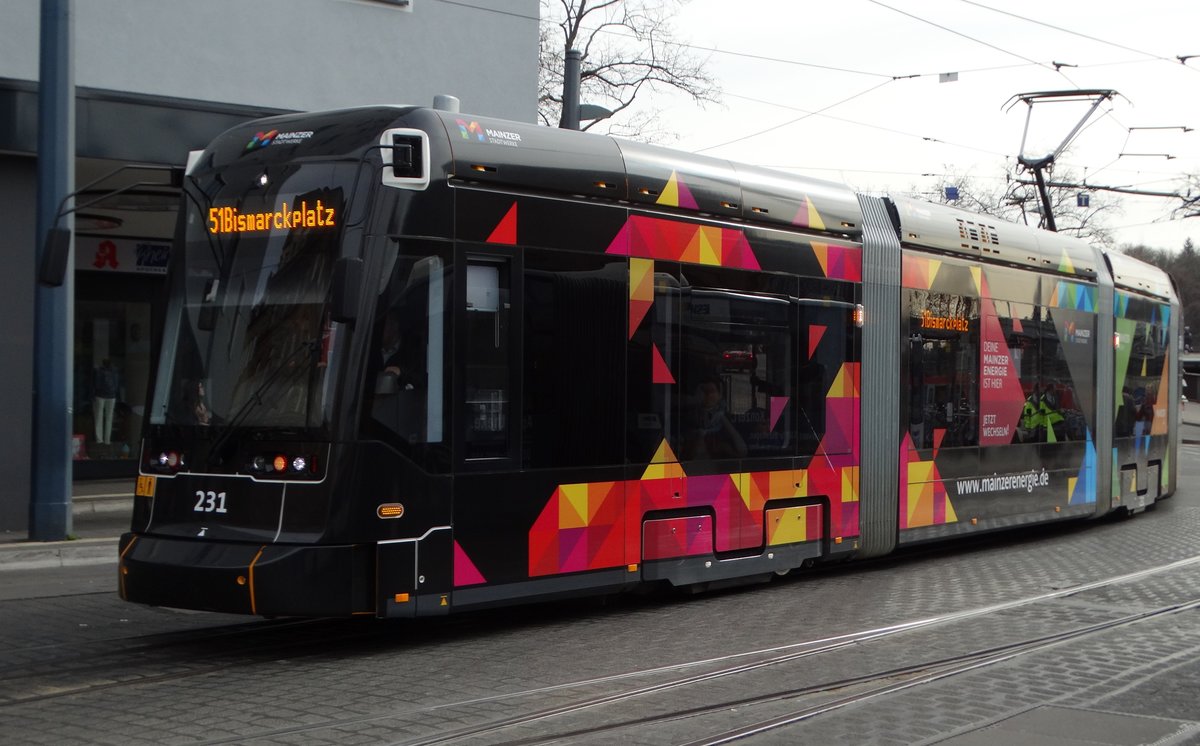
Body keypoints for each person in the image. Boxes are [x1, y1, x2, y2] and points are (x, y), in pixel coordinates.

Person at [682, 379, 747, 460]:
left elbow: (742, 451)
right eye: (704, 391)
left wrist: (722, 418)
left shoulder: (728, 421)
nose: (708, 395)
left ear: (719, 396)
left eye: (712, 391)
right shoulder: (688, 418)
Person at [92, 358, 119, 444]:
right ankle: (107, 440)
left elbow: (95, 384)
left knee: (99, 417)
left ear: (103, 364)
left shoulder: (98, 371)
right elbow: (117, 384)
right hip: (111, 396)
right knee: (109, 418)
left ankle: (99, 439)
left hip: (100, 396)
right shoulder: (115, 371)